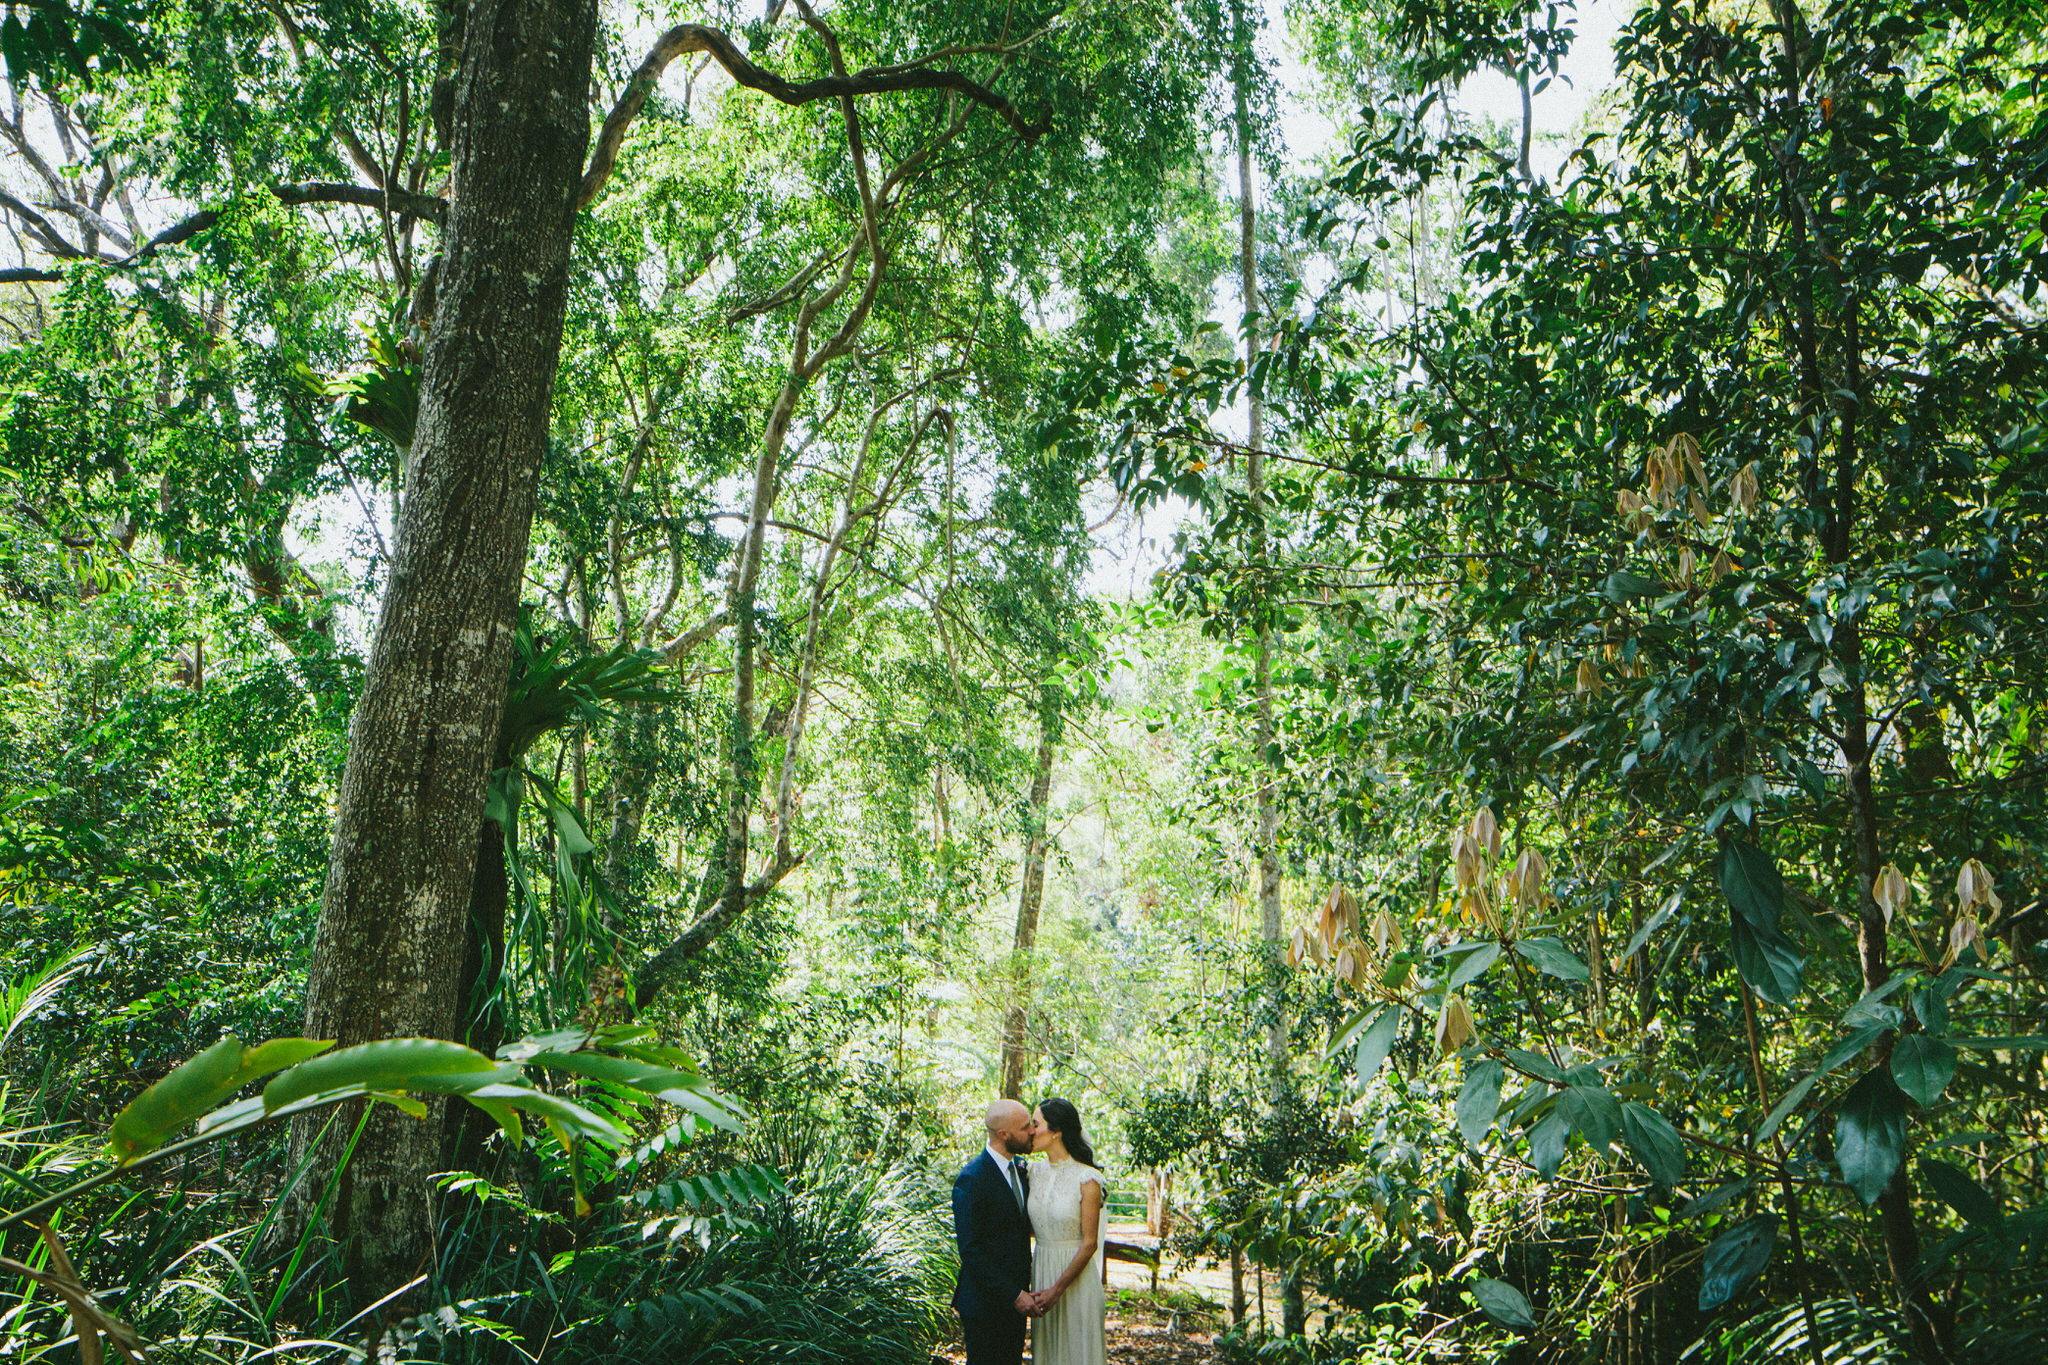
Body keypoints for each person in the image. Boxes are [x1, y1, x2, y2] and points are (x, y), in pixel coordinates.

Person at [952, 1098, 1042, 1365]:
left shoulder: (1022, 1172)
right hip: (984, 1304)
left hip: (1016, 1303)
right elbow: (971, 1250)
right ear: (1003, 1134)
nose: (1032, 1132)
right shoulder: (972, 1179)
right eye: (1025, 1127)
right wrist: (1014, 1295)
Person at [1024, 1096, 1107, 1365]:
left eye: (1035, 1124)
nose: (1030, 1130)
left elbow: (1090, 1243)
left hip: (1075, 1278)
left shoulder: (1087, 1178)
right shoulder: (1032, 1172)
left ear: (1056, 1132)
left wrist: (1056, 1290)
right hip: (1043, 1268)